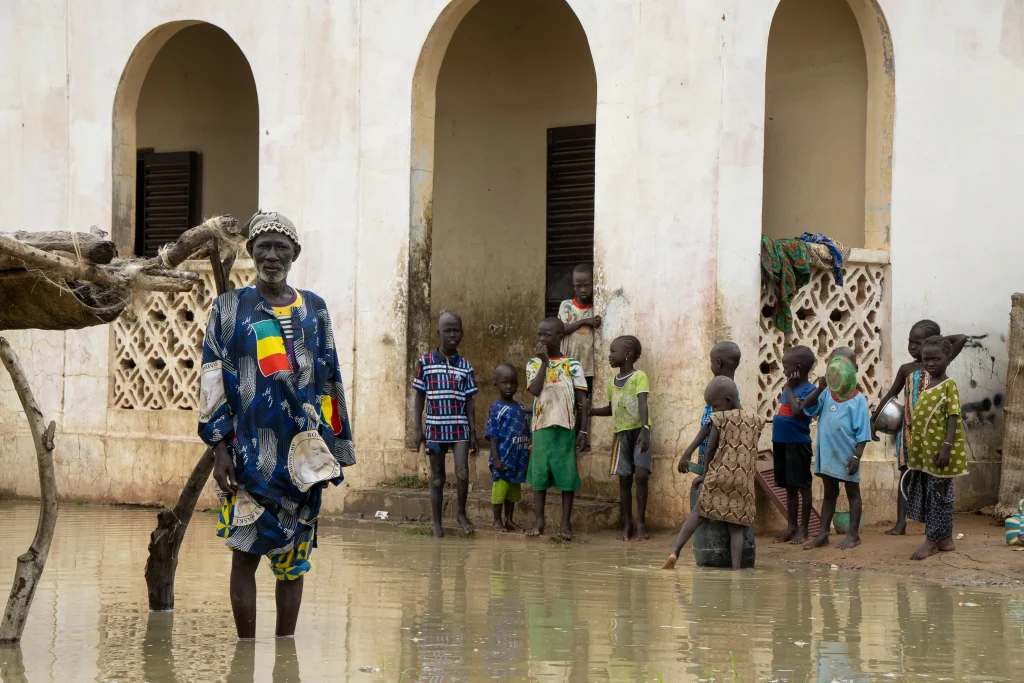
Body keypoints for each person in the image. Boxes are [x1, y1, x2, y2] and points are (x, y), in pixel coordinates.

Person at [200, 212, 355, 639]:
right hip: (248, 455)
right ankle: (246, 651)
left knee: (294, 564)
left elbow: (330, 377)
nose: (271, 255)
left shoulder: (315, 308)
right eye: (263, 246)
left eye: (280, 247)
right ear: (251, 251)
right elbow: (212, 379)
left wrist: (333, 449)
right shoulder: (229, 307)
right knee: (244, 555)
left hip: (304, 457)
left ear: (295, 254)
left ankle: (285, 650)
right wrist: (219, 449)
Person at [871, 320, 966, 535]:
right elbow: (890, 395)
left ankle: (934, 525)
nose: (913, 347)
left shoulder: (937, 365)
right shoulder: (906, 369)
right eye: (910, 342)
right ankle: (900, 523)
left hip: (933, 436)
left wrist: (935, 343)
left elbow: (961, 338)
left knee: (933, 478)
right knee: (906, 475)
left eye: (918, 342)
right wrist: (873, 419)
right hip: (908, 433)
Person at [662, 376, 764, 570]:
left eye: (715, 406)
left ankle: (674, 551)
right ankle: (736, 570)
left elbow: (710, 448)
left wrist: (704, 474)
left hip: (719, 476)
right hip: (743, 481)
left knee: (698, 514)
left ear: (728, 401)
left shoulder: (720, 419)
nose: (714, 411)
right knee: (737, 527)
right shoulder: (756, 421)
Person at [413, 312, 480, 537]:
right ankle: (437, 524)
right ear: (438, 333)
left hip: (459, 427)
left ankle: (460, 513)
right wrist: (417, 428)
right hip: (434, 428)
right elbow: (419, 396)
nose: (452, 334)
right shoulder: (425, 362)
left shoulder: (465, 365)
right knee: (437, 478)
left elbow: (469, 401)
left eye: (456, 330)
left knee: (462, 472)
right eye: (447, 330)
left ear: (462, 333)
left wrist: (473, 432)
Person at [798, 347, 871, 551]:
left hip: (848, 455)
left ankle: (853, 535)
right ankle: (823, 534)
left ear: (854, 369)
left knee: (853, 493)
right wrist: (819, 389)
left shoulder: (858, 400)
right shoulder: (827, 394)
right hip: (828, 454)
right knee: (829, 494)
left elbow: (863, 432)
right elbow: (807, 407)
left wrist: (857, 456)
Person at [903, 335, 968, 560]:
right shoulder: (928, 385)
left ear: (948, 358)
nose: (930, 363)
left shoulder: (948, 385)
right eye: (926, 359)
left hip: (940, 453)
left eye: (936, 359)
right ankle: (945, 540)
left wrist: (946, 447)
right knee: (935, 494)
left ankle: (931, 541)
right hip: (926, 454)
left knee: (939, 495)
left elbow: (952, 416)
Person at [525, 317, 589, 540]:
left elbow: (583, 400)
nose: (542, 338)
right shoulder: (533, 364)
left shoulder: (572, 364)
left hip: (565, 426)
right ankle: (539, 521)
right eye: (539, 334)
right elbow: (535, 390)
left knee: (567, 476)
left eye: (547, 335)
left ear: (560, 338)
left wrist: (583, 431)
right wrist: (544, 362)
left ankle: (565, 522)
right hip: (541, 426)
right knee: (539, 475)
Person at [590, 336, 651, 541]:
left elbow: (642, 403)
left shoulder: (639, 376)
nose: (609, 355)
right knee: (624, 479)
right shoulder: (611, 382)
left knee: (641, 475)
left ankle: (641, 522)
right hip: (621, 434)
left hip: (640, 432)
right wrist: (592, 412)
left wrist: (645, 429)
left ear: (627, 354)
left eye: (613, 351)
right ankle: (627, 524)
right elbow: (612, 408)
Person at [772, 345, 817, 544]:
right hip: (781, 442)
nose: (784, 371)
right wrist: (788, 388)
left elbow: (798, 411)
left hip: (797, 444)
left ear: (797, 368)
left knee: (802, 487)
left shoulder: (810, 390)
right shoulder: (788, 388)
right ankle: (791, 527)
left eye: (786, 367)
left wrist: (789, 388)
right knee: (789, 487)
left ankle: (804, 529)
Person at [678, 342, 741, 474]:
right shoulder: (731, 392)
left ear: (718, 363)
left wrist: (688, 451)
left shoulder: (720, 393)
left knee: (705, 485)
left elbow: (708, 426)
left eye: (711, 362)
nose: (710, 366)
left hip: (713, 461)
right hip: (720, 461)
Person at [485, 364, 531, 532]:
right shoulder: (497, 408)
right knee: (500, 489)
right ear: (496, 384)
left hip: (518, 458)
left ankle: (509, 520)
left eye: (513, 382)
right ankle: (497, 520)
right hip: (503, 458)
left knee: (513, 491)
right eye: (505, 383)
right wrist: (496, 457)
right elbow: (492, 434)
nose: (509, 386)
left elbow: (526, 431)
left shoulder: (520, 407)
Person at [558, 263, 602, 397]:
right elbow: (561, 329)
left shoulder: (597, 307)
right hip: (567, 362)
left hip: (587, 365)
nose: (583, 289)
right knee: (568, 396)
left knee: (585, 397)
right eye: (579, 286)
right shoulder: (566, 306)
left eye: (587, 285)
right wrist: (585, 321)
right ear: (573, 285)